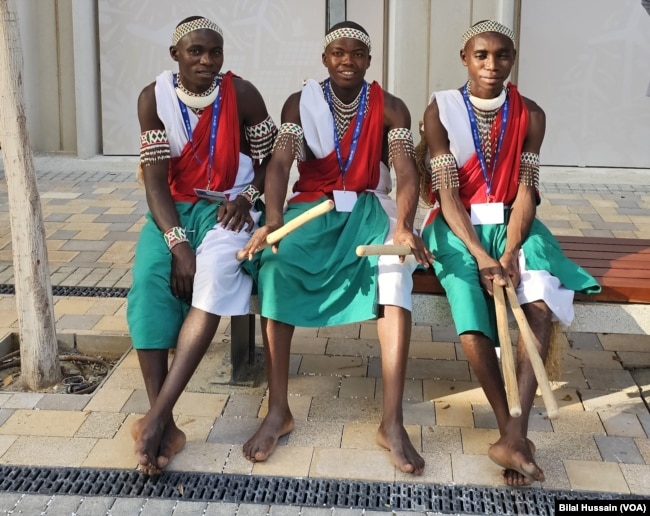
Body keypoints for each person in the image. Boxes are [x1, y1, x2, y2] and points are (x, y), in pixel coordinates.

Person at [240, 21, 434, 475]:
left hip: (370, 208)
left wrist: (405, 225)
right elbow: (280, 163)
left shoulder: (391, 108)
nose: (347, 61)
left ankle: (393, 421)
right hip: (312, 209)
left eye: (357, 54)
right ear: (325, 59)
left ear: (369, 60)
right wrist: (272, 223)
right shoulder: (299, 102)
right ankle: (278, 411)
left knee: (393, 274)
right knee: (276, 265)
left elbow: (406, 172)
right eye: (338, 53)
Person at [419, 20, 601, 486]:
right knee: (470, 311)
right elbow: (446, 195)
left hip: (513, 224)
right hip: (457, 228)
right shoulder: (440, 110)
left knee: (537, 301)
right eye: (481, 55)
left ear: (512, 60)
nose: (492, 65)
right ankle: (510, 431)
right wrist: (482, 257)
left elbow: (526, 191)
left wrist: (514, 249)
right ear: (465, 57)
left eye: (502, 56)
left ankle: (514, 436)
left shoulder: (532, 113)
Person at [127, 15, 277, 475]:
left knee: (211, 277)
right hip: (172, 209)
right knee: (149, 286)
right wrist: (177, 247)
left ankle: (152, 424)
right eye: (195, 51)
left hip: (227, 209)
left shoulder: (244, 94)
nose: (207, 61)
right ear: (175, 55)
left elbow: (271, 158)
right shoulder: (154, 99)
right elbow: (154, 181)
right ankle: (164, 420)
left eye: (215, 51)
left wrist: (248, 196)